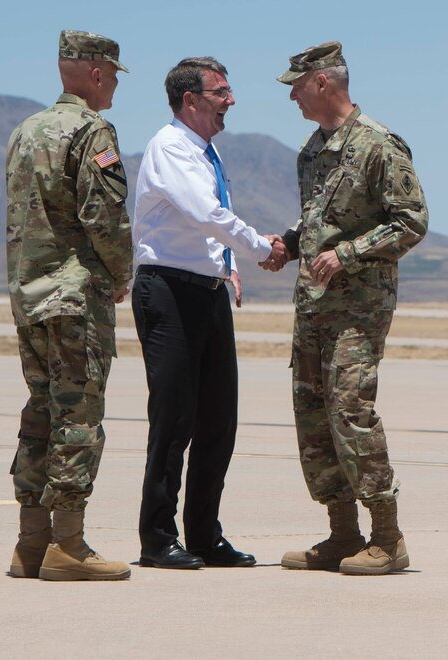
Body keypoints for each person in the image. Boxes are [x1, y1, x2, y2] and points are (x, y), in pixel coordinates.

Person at [269, 41, 428, 575]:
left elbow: (411, 221)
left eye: (296, 84)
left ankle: (388, 536)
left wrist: (350, 253)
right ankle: (342, 532)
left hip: (358, 308)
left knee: (350, 412)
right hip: (312, 306)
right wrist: (290, 244)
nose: (291, 95)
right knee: (312, 414)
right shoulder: (312, 150)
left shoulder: (378, 145)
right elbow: (319, 221)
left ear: (323, 83)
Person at [132, 57, 278, 569]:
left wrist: (230, 264)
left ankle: (203, 534)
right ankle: (156, 538)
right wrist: (263, 248)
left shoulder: (206, 151)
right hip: (168, 291)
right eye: (221, 92)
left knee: (219, 418)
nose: (230, 100)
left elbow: (207, 228)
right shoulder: (171, 147)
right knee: (174, 418)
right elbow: (205, 214)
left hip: (207, 290)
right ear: (189, 100)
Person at [5, 29, 133, 581]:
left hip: (29, 295)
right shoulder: (91, 130)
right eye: (113, 78)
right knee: (78, 416)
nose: (113, 90)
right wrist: (122, 271)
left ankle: (30, 544)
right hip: (74, 296)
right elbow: (102, 216)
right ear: (99, 73)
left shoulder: (25, 130)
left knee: (40, 413)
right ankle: (68, 544)